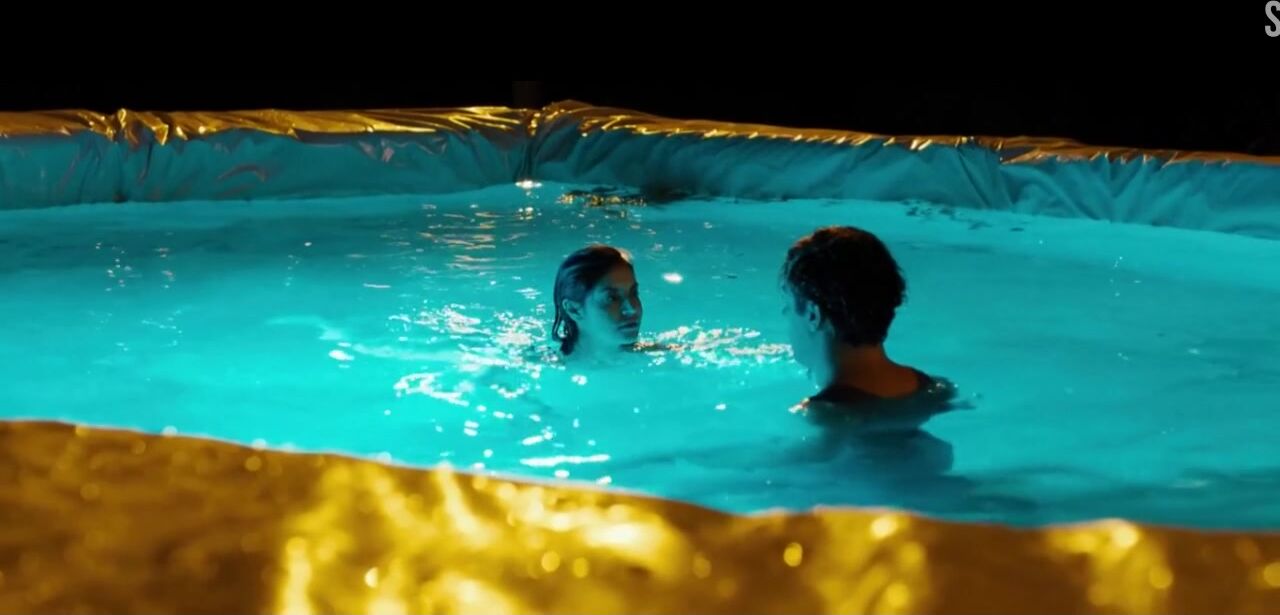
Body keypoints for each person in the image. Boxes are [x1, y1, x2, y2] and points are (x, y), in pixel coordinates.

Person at [780, 225, 957, 433]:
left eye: (787, 305)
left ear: (813, 315)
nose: (784, 313)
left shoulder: (822, 414)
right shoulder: (936, 390)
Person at [551, 244, 644, 361]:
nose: (632, 309)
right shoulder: (544, 366)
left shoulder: (658, 355)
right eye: (611, 298)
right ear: (574, 310)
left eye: (634, 293)